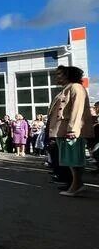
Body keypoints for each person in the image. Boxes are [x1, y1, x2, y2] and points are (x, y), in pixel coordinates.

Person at [47, 66, 94, 196]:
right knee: (69, 159)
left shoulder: (76, 87)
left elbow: (77, 109)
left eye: (59, 74)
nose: (57, 77)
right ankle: (74, 184)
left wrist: (72, 129)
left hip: (70, 131)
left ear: (68, 75)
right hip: (63, 131)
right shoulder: (67, 88)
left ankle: (76, 185)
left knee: (73, 159)